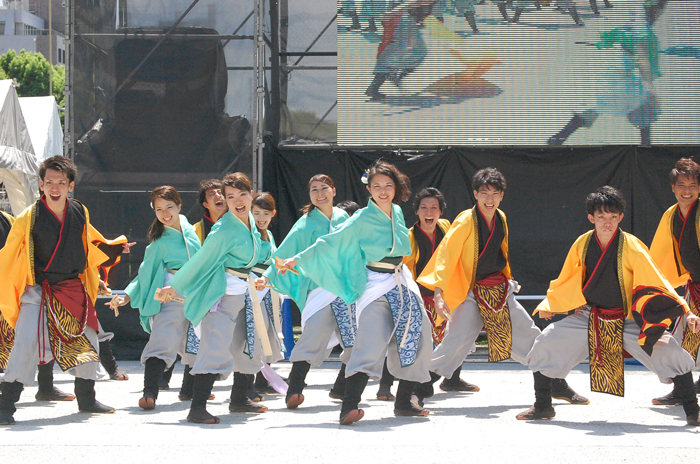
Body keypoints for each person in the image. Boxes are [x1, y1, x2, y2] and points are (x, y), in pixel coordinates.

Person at [518, 186, 700, 426]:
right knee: (546, 342)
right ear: (591, 218)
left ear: (621, 218)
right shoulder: (582, 244)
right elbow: (566, 280)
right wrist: (552, 304)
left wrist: (687, 312)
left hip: (628, 319)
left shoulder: (632, 246)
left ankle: (693, 411)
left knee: (672, 352)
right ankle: (542, 406)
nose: (607, 223)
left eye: (613, 217)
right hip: (591, 316)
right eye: (602, 217)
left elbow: (658, 281)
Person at [279, 161, 434, 425]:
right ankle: (348, 405)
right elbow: (332, 241)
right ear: (369, 189)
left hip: (401, 281)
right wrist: (298, 259)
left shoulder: (396, 211)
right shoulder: (361, 217)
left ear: (395, 187)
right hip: (376, 283)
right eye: (376, 186)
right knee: (368, 343)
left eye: (387, 185)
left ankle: (404, 401)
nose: (383, 191)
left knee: (418, 334)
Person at [416, 168, 587, 406]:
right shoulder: (465, 220)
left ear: (501, 196)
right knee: (455, 342)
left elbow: (501, 254)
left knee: (531, 337)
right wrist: (438, 294)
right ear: (475, 194)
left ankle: (556, 384)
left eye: (494, 193)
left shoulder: (501, 218)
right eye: (484, 193)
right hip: (470, 292)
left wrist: (509, 280)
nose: (489, 199)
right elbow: (445, 256)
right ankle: (416, 391)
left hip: (497, 291)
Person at [0, 156, 125, 425]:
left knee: (88, 340)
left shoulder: (79, 210)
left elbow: (88, 244)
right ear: (41, 185)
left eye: (60, 182)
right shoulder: (28, 217)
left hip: (72, 288)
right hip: (38, 289)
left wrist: (108, 254)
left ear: (70, 185)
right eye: (49, 182)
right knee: (25, 344)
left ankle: (87, 399)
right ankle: (5, 405)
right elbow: (11, 254)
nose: (54, 187)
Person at [158, 173, 268, 424]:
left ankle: (239, 399)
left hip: (242, 291)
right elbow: (202, 260)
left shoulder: (249, 219)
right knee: (214, 347)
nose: (237, 201)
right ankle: (197, 407)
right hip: (221, 293)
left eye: (242, 194)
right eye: (230, 197)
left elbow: (260, 254)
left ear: (252, 194)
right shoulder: (224, 228)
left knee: (247, 344)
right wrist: (174, 287)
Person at [256, 175, 353, 410]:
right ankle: (295, 389)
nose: (320, 193)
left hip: (346, 291)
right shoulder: (305, 223)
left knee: (356, 340)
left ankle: (342, 388)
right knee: (311, 339)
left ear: (334, 190)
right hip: (319, 290)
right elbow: (284, 251)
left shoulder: (345, 219)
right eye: (314, 190)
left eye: (324, 188)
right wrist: (266, 276)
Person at [110, 186, 202, 410]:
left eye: (169, 207)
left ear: (179, 206)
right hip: (171, 295)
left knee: (197, 345)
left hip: (198, 293)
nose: (165, 213)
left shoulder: (191, 231)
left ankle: (191, 391)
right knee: (162, 341)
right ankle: (149, 393)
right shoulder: (159, 243)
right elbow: (145, 275)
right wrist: (127, 297)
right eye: (159, 209)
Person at [406, 187, 479, 393]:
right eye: (424, 208)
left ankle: (452, 379)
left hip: (449, 293)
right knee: (419, 341)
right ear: (417, 211)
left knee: (456, 336)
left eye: (434, 208)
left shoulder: (447, 228)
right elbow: (405, 271)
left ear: (441, 212)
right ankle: (394, 384)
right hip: (422, 296)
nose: (429, 212)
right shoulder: (410, 237)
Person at [160, 179, 227, 396]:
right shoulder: (196, 230)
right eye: (212, 194)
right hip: (202, 290)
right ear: (205, 204)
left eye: (221, 192)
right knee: (195, 337)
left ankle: (249, 387)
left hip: (233, 288)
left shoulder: (238, 224)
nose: (218, 196)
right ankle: (189, 388)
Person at [648, 158, 700, 404]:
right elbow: (659, 255)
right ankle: (683, 390)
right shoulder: (671, 215)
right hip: (695, 286)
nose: (686, 190)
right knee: (683, 339)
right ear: (673, 188)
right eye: (682, 185)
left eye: (692, 185)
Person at [244, 192, 285, 399]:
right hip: (251, 287)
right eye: (257, 213)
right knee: (253, 336)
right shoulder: (246, 235)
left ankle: (263, 380)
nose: (261, 218)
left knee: (268, 333)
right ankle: (246, 385)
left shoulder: (269, 234)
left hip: (268, 289)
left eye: (265, 213)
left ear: (273, 214)